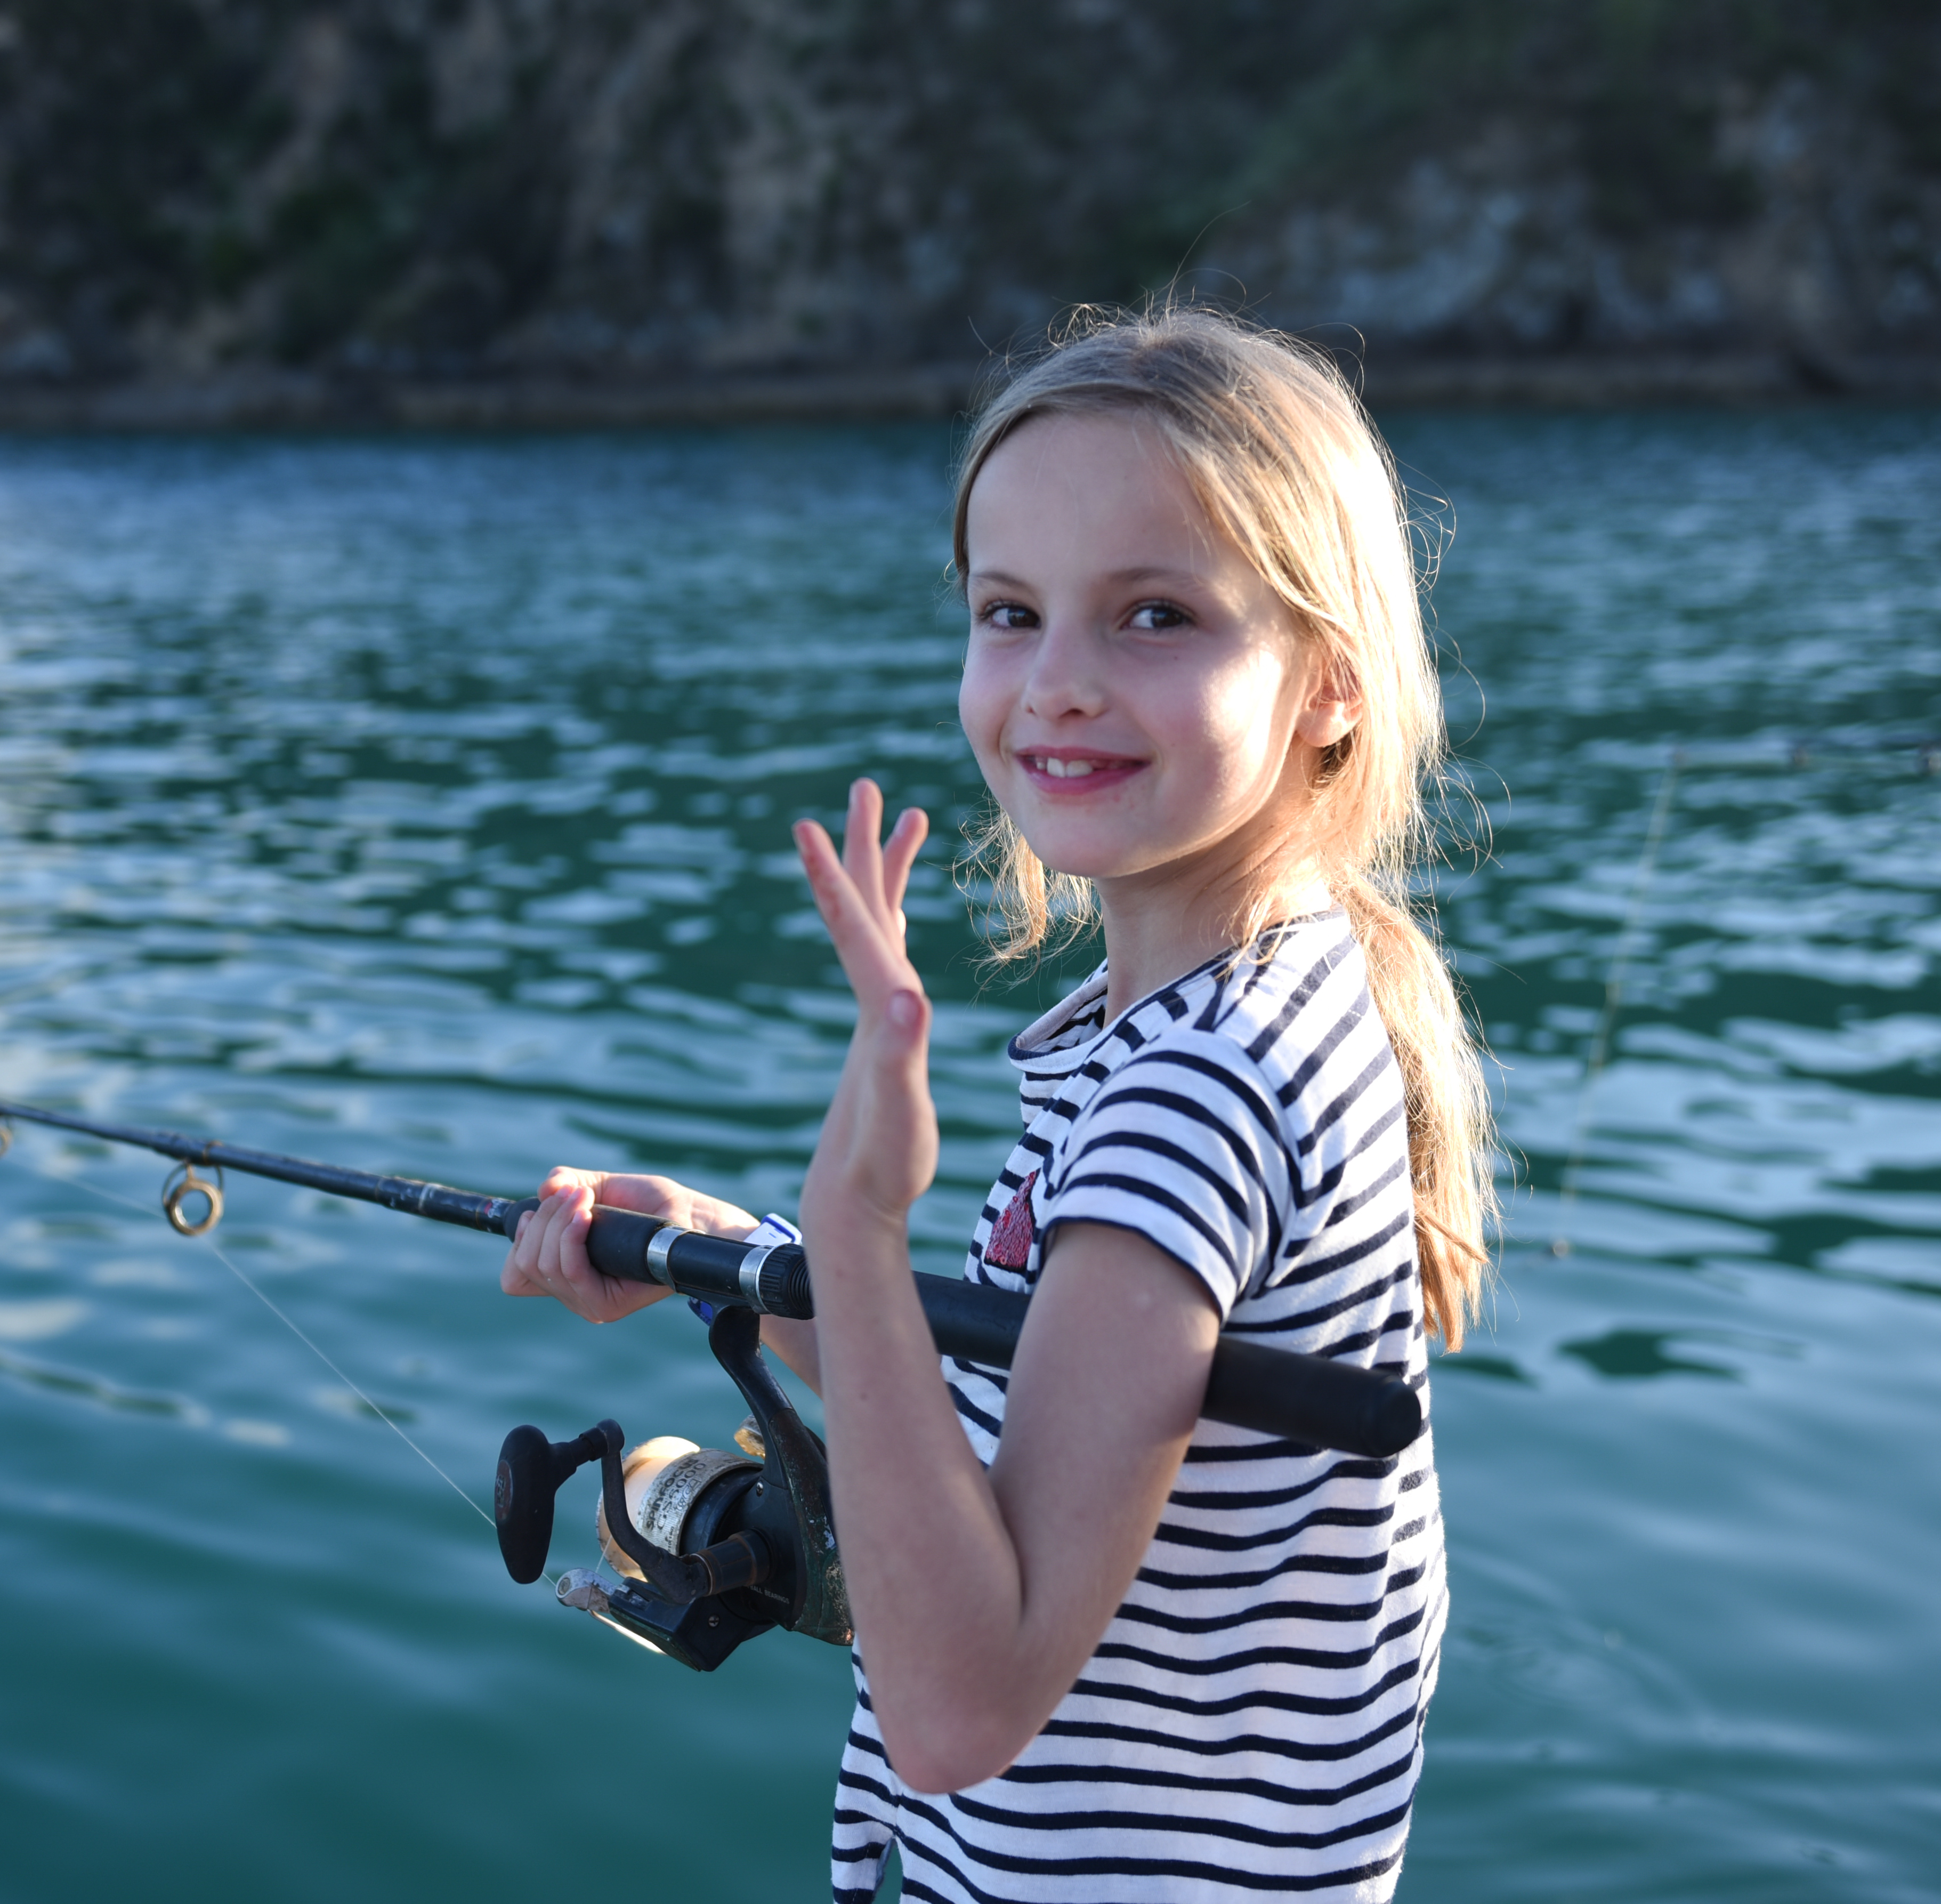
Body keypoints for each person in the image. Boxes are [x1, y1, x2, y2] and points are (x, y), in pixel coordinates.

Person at [501, 304, 1497, 1903]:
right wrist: (739, 1260)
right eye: (1011, 612)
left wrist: (856, 1218)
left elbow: (967, 1701)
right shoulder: (1236, 1003)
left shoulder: (1199, 1088)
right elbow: (1027, 1387)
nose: (1057, 684)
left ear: (1329, 681)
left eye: (1155, 614)